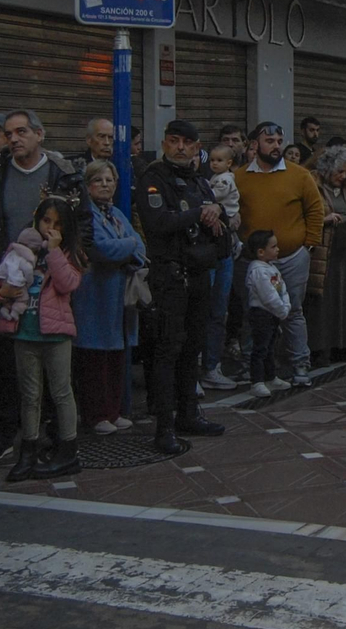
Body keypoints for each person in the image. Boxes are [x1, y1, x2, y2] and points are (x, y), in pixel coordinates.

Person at [0, 108, 76, 465]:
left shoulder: (62, 175)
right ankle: (6, 434)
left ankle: (59, 438)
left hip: (52, 285)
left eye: (21, 132)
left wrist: (66, 263)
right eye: (8, 133)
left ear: (39, 135)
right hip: (8, 282)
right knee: (5, 367)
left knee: (56, 375)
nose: (13, 139)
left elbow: (79, 225)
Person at [136, 120, 228, 456]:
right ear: (164, 143)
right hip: (170, 276)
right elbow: (158, 224)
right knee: (167, 351)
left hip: (199, 274)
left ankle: (190, 414)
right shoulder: (153, 177)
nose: (180, 147)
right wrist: (200, 213)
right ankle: (164, 426)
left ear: (196, 146)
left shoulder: (201, 181)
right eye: (173, 141)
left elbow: (218, 220)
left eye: (186, 143)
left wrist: (217, 212)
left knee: (192, 348)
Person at [0, 196, 85, 482]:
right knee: (29, 395)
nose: (50, 229)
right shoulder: (20, 249)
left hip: (56, 334)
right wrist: (1, 293)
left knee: (61, 391)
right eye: (46, 221)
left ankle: (68, 450)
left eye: (57, 224)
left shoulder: (69, 253)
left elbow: (67, 283)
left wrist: (55, 252)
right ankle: (28, 450)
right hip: (24, 330)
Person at [233, 120, 324, 386]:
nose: (275, 147)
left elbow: (315, 210)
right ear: (254, 145)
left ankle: (300, 366)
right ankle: (257, 369)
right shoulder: (239, 177)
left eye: (279, 142)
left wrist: (308, 245)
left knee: (293, 311)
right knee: (254, 314)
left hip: (292, 257)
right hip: (252, 262)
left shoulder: (299, 175)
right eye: (269, 141)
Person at [71, 161, 146, 435]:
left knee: (117, 356)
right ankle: (95, 414)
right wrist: (129, 245)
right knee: (94, 358)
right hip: (94, 294)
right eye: (98, 180)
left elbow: (140, 245)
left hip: (120, 296)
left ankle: (114, 411)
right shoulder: (84, 214)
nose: (105, 184)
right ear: (87, 185)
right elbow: (100, 250)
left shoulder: (116, 213)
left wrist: (128, 247)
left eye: (109, 179)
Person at [307, 145, 346, 362]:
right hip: (323, 253)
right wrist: (325, 220)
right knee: (322, 303)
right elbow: (307, 215)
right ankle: (320, 349)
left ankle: (344, 346)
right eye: (339, 171)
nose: (343, 176)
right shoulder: (314, 185)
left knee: (345, 300)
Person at [202, 144, 243, 388]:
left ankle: (211, 365)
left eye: (219, 160)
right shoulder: (213, 178)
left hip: (223, 246)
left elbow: (210, 199)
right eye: (212, 160)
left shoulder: (224, 181)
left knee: (218, 310)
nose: (214, 164)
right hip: (210, 250)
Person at [243, 229, 291, 397]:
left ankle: (270, 377)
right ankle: (256, 381)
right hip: (261, 314)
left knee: (270, 346)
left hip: (273, 314)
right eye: (274, 246)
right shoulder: (258, 271)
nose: (277, 249)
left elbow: (281, 289)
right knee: (260, 348)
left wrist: (285, 306)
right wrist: (281, 309)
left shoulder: (272, 268)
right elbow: (268, 295)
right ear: (261, 252)